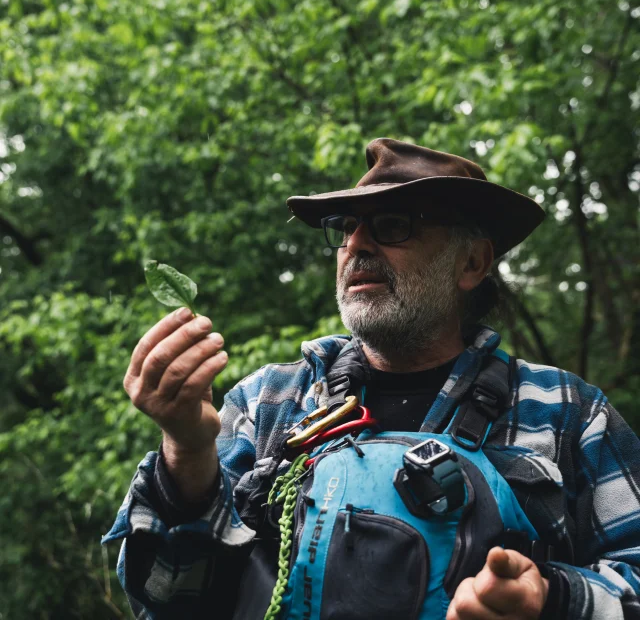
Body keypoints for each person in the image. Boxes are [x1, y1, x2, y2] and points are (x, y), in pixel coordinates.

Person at [103, 139, 640, 620]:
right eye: (345, 229)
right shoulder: (266, 402)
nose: (356, 245)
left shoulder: (568, 412)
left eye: (392, 225)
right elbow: (167, 598)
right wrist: (186, 450)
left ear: (472, 263)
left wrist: (552, 598)